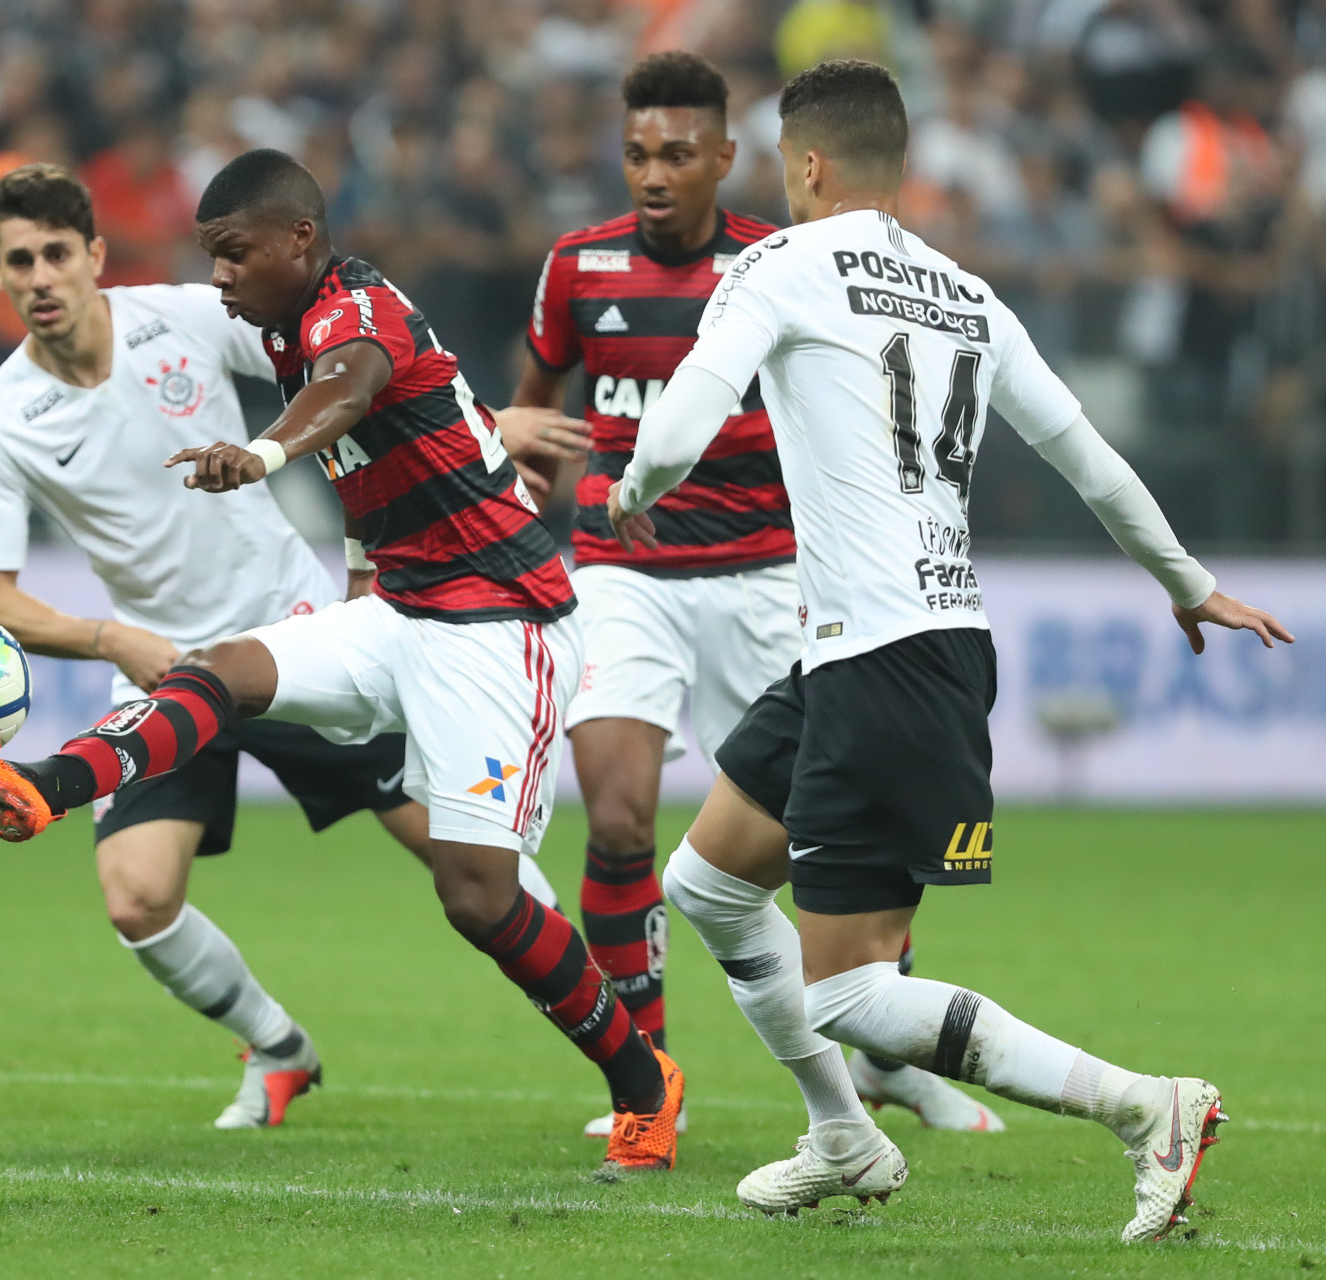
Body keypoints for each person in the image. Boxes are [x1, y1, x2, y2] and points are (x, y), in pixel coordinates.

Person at [0, 150, 686, 1175]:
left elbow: (352, 387)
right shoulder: (210, 342)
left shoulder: (345, 311)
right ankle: (40, 786)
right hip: (389, 611)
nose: (218, 276)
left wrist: (263, 452)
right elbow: (385, 445)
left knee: (477, 890)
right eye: (18, 260)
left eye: (232, 255)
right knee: (216, 678)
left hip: (505, 624)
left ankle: (642, 1077)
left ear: (296, 241)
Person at [607, 60, 1292, 1239]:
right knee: (707, 884)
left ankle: (1148, 1108)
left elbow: (681, 417)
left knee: (859, 988)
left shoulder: (778, 263)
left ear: (807, 166)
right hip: (886, 647)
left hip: (887, 665)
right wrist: (1190, 583)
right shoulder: (965, 293)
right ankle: (842, 1136)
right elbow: (1089, 459)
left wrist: (634, 484)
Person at [514, 50, 1002, 1139]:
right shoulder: (575, 267)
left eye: (678, 153)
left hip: (770, 575)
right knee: (622, 813)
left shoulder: (785, 260)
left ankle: (886, 1056)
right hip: (623, 565)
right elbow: (536, 403)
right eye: (638, 151)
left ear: (728, 159)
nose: (653, 172)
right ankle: (643, 1075)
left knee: (838, 827)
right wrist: (523, 468)